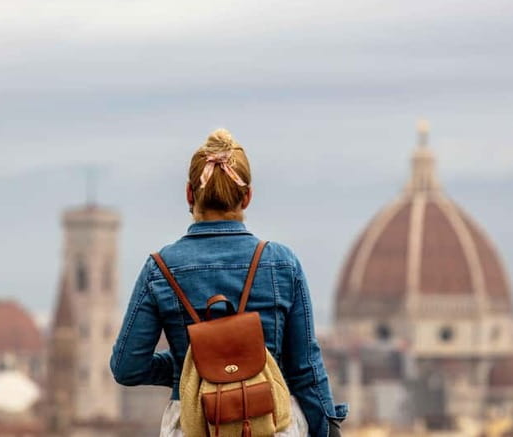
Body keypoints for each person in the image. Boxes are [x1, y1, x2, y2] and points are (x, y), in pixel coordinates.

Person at [110, 129, 346, 436]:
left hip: (193, 423)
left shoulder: (160, 269)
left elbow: (127, 367)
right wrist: (328, 428)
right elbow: (306, 370)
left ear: (189, 194)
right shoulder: (282, 263)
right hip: (271, 421)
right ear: (247, 197)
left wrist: (191, 365)